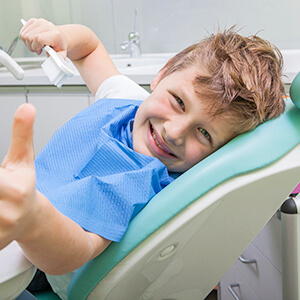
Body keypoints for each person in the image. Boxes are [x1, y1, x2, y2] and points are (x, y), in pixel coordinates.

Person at [0, 18, 285, 298]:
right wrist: (62, 36)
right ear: (162, 74)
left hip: (35, 262)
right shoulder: (128, 99)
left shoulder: (135, 183)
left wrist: (32, 219)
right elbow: (89, 48)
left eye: (204, 134)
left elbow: (75, 252)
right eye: (179, 102)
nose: (173, 132)